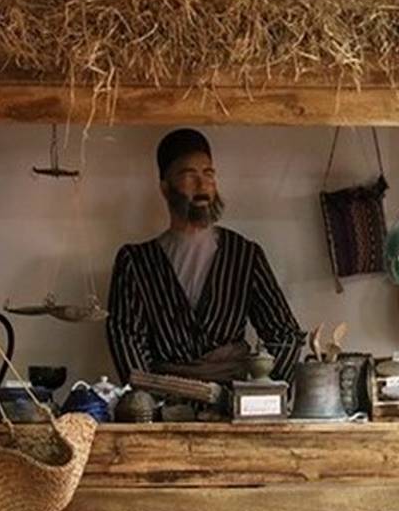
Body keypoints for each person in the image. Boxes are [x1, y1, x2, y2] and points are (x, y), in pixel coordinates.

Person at [107, 128, 302, 383]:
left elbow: (285, 334)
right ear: (165, 188)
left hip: (233, 396)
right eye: (189, 175)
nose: (202, 185)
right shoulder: (136, 262)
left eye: (208, 174)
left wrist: (263, 391)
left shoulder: (244, 255)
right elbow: (126, 338)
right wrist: (151, 396)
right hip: (165, 398)